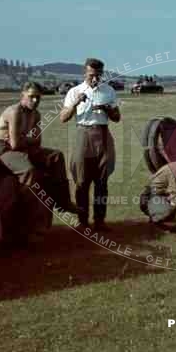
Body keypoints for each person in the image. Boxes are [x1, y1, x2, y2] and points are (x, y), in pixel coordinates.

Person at [0, 82, 78, 221]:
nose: (35, 100)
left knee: (56, 156)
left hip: (20, 146)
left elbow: (37, 141)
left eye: (38, 97)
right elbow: (14, 144)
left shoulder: (36, 114)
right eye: (31, 97)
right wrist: (27, 140)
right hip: (2, 148)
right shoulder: (15, 112)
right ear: (22, 96)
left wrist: (24, 140)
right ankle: (26, 213)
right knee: (28, 170)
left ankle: (63, 201)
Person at [60, 58, 121, 231]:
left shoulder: (108, 91)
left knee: (102, 181)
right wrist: (76, 102)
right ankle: (82, 221)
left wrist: (107, 108)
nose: (95, 79)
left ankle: (99, 221)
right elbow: (63, 118)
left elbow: (117, 118)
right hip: (83, 133)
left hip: (103, 133)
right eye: (92, 75)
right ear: (85, 73)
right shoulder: (75, 91)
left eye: (99, 75)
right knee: (82, 180)